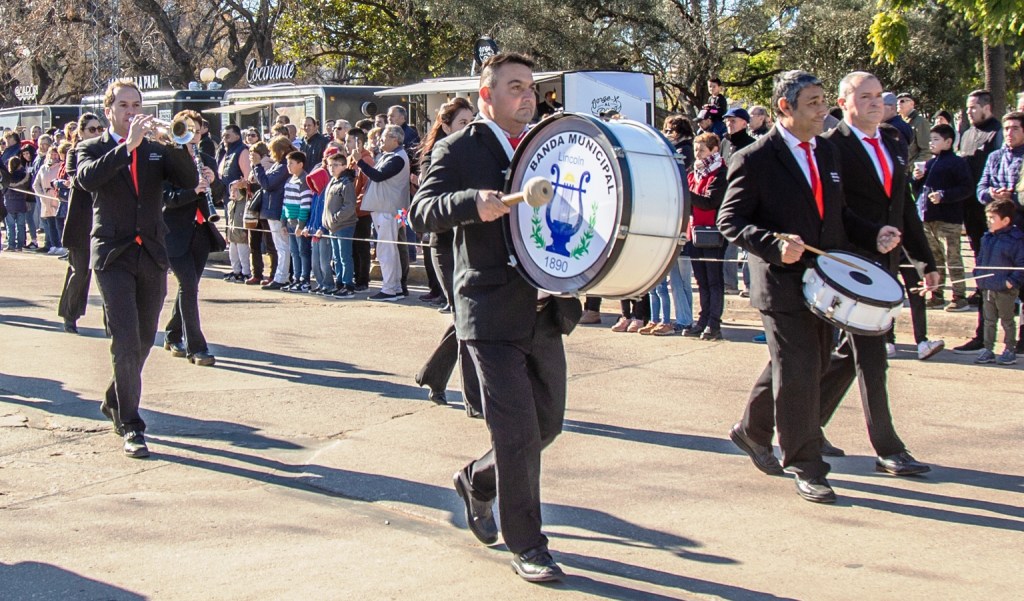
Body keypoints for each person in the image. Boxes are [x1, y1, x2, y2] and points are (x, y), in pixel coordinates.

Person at [409, 52, 583, 582]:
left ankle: (477, 483)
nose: (527, 96)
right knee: (517, 433)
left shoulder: (548, 143)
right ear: (486, 96)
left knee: (548, 423)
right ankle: (528, 545)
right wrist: (472, 202)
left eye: (530, 87)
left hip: (544, 308)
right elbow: (423, 210)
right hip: (489, 311)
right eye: (514, 87)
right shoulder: (460, 148)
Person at [717, 70, 901, 503]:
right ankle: (805, 462)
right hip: (780, 284)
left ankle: (751, 430)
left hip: (824, 286)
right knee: (798, 368)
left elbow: (837, 216)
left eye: (824, 101)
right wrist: (774, 243)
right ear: (786, 107)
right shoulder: (754, 159)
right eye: (815, 103)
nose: (824, 110)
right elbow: (731, 221)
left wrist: (873, 232)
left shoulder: (827, 153)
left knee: (804, 364)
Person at [815, 71, 935, 474]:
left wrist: (924, 262)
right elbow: (834, 211)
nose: (875, 103)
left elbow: (903, 206)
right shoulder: (830, 147)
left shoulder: (895, 142)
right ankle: (888, 448)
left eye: (879, 96)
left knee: (854, 353)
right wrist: (859, 244)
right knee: (871, 353)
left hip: (887, 263)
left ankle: (804, 422)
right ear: (844, 102)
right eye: (865, 96)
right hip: (852, 264)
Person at [75, 78, 198, 457]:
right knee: (125, 340)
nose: (132, 112)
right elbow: (87, 180)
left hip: (151, 253)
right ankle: (131, 422)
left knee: (145, 339)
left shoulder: (155, 151)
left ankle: (115, 397)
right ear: (110, 109)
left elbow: (189, 180)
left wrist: (175, 144)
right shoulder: (90, 146)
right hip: (112, 254)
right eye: (125, 106)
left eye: (137, 105)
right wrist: (125, 148)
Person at [412, 97, 478, 404]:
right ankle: (474, 397)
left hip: (471, 241)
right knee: (464, 316)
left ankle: (434, 376)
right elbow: (430, 203)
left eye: (472, 121)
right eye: (463, 123)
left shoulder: (475, 152)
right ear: (447, 125)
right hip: (445, 245)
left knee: (466, 317)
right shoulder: (434, 157)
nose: (469, 128)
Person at [162, 110, 225, 367]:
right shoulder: (167, 158)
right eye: (189, 131)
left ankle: (172, 333)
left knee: (188, 288)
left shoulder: (207, 157)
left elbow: (220, 195)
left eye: (198, 132)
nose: (194, 137)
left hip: (200, 232)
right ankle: (197, 348)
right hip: (173, 232)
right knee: (188, 286)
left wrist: (213, 183)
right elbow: (166, 198)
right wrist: (193, 191)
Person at [953, 90, 1005, 353]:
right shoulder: (966, 134)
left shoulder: (997, 133)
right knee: (981, 269)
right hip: (970, 211)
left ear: (988, 107)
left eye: (974, 107)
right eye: (967, 107)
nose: (969, 112)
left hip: (996, 215)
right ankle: (982, 335)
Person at [912, 124, 974, 311]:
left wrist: (944, 196)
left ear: (948, 142)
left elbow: (967, 188)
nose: (931, 143)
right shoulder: (929, 163)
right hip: (926, 217)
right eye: (930, 139)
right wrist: (916, 178)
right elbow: (917, 191)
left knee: (952, 257)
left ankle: (959, 296)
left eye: (936, 139)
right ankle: (936, 294)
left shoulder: (957, 163)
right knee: (934, 258)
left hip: (948, 219)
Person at [57, 113, 103, 333]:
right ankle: (70, 314)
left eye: (99, 129)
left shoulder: (105, 151)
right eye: (92, 129)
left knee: (108, 273)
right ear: (82, 132)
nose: (96, 133)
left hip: (103, 219)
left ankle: (112, 321)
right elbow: (76, 178)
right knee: (80, 272)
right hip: (81, 220)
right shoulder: (75, 152)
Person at [682, 132, 728, 340]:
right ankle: (702, 319)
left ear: (714, 150)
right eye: (696, 149)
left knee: (713, 280)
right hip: (694, 231)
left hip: (712, 232)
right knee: (701, 280)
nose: (697, 154)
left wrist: (686, 192)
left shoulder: (720, 173)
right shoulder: (695, 172)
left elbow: (710, 201)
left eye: (701, 149)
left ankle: (714, 323)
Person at [358, 124, 410, 301]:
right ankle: (394, 286)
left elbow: (378, 176)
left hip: (389, 209)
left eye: (385, 137)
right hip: (389, 207)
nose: (381, 140)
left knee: (386, 249)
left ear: (395, 139)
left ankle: (389, 289)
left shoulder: (397, 157)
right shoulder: (391, 155)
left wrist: (360, 161)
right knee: (389, 248)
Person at [974, 199, 1024, 364]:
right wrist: (977, 274)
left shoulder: (1016, 240)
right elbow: (981, 259)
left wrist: (1010, 282)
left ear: (1006, 220)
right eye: (987, 217)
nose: (988, 221)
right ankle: (988, 349)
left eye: (992, 218)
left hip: (1005, 289)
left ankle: (1009, 349)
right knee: (988, 320)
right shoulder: (986, 237)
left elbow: (1021, 264)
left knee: (1007, 320)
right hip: (987, 287)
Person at [252, 135, 295, 290]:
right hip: (274, 209)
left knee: (282, 246)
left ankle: (282, 277)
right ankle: (283, 276)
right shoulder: (280, 165)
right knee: (280, 246)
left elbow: (267, 184)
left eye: (272, 150)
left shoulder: (283, 166)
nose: (271, 154)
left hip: (277, 209)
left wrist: (257, 166)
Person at [322, 152, 358, 298]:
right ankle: (340, 283)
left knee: (345, 256)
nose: (332, 168)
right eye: (330, 165)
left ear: (344, 166)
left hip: (344, 225)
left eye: (335, 165)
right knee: (336, 257)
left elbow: (349, 206)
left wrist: (336, 219)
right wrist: (327, 221)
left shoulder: (346, 183)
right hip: (333, 226)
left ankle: (348, 284)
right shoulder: (332, 181)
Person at [282, 150, 313, 292]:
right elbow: (285, 203)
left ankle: (304, 280)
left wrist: (301, 225)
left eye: (291, 163)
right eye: (287, 163)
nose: (288, 166)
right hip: (290, 222)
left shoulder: (304, 181)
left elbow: (305, 205)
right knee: (294, 252)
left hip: (300, 223)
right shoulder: (290, 180)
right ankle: (296, 278)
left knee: (303, 252)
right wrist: (283, 222)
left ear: (300, 164)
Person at [897, 93, 932, 172]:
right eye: (897, 102)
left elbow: (926, 150)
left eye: (902, 101)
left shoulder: (920, 122)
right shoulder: (899, 122)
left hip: (912, 172)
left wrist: (913, 168)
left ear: (912, 104)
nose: (898, 103)